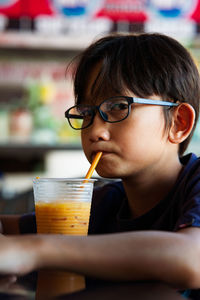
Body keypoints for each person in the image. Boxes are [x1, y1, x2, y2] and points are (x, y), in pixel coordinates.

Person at [0, 32, 200, 293]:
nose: (95, 131)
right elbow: (9, 229)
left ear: (179, 123)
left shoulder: (194, 184)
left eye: (118, 106)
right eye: (87, 113)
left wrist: (35, 250)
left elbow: (191, 260)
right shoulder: (102, 205)